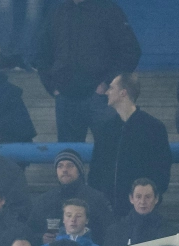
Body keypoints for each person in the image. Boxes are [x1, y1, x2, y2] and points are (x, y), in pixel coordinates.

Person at [34, 0, 140, 143]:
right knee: (69, 158)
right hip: (66, 98)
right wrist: (53, 86)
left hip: (103, 99)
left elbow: (131, 51)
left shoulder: (108, 10)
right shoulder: (57, 13)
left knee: (108, 156)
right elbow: (42, 54)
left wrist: (108, 83)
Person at [90, 74, 171, 217]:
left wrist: (146, 199)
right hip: (108, 211)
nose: (107, 92)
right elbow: (96, 169)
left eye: (111, 88)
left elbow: (161, 170)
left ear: (123, 92)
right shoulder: (105, 129)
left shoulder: (153, 128)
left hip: (141, 211)